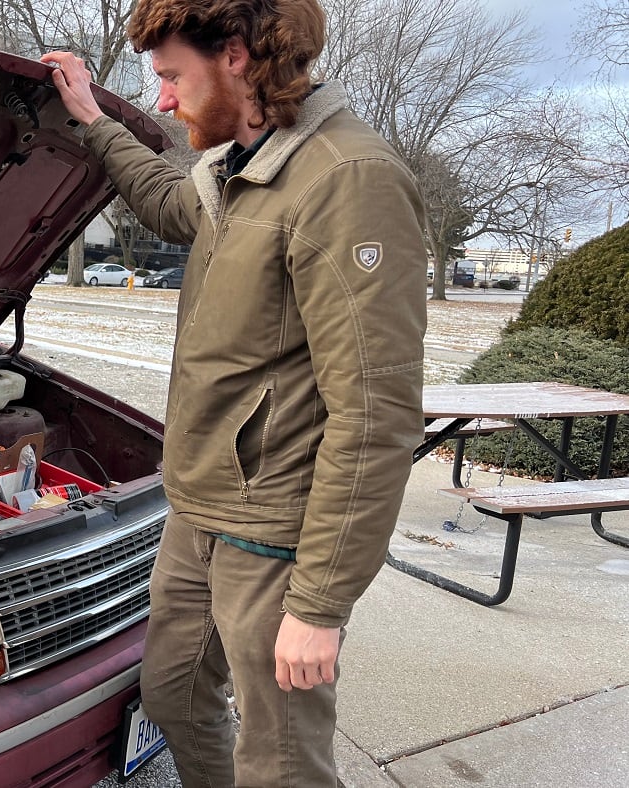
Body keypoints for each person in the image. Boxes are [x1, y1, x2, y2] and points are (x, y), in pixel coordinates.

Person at [42, 1, 427, 785]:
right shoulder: (236, 168)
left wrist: (319, 606)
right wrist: (89, 117)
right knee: (176, 699)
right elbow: (162, 196)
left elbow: (377, 415)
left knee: (281, 761)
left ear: (240, 57)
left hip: (275, 533)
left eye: (172, 76)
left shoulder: (348, 181)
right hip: (200, 511)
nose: (163, 99)